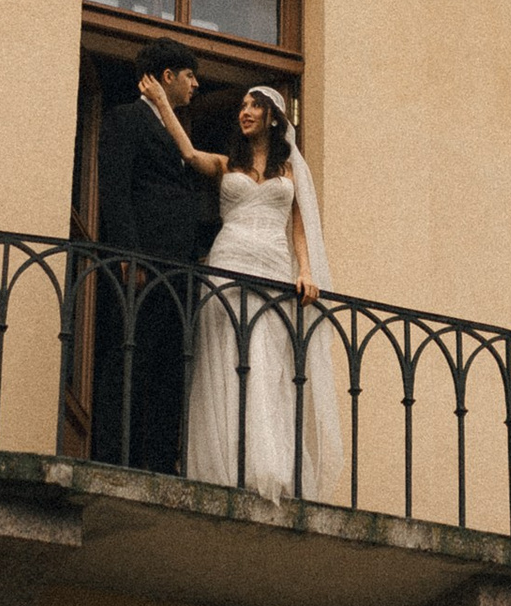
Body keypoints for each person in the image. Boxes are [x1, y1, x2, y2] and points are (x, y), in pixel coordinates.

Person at [139, 79, 345, 501]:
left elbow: (299, 229)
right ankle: (224, 465)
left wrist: (306, 272)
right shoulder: (228, 164)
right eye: (242, 106)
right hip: (229, 262)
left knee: (267, 362)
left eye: (254, 106)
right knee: (228, 356)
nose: (244, 112)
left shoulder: (288, 172)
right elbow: (190, 155)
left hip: (272, 264)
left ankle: (267, 465)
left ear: (272, 117)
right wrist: (162, 103)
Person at [89, 44, 215, 471]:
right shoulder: (126, 118)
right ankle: (112, 457)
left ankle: (161, 463)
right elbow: (116, 190)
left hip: (179, 270)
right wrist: (129, 254)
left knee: (166, 366)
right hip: (145, 265)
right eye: (190, 75)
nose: (196, 84)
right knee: (128, 358)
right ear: (167, 76)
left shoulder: (177, 127)